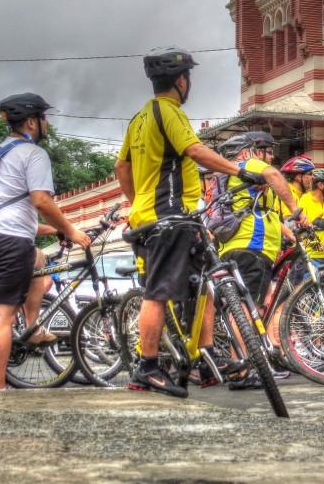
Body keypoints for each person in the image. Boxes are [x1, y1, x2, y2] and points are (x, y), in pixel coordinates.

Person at [116, 47, 255, 398]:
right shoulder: (170, 112)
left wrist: (138, 204)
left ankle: (204, 359)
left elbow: (121, 168)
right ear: (181, 81)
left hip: (163, 217)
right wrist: (240, 171)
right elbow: (194, 150)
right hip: (169, 216)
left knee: (205, 283)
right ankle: (147, 367)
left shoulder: (139, 119)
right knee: (158, 293)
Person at [0, 93, 92, 390]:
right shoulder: (32, 153)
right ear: (31, 121)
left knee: (38, 259)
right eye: (43, 117)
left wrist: (53, 231)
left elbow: (11, 210)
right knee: (2, 316)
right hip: (9, 240)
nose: (46, 123)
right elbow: (41, 201)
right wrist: (71, 230)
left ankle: (34, 326)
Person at [214, 131, 303, 390]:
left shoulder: (239, 175)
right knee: (245, 307)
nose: (270, 156)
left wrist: (290, 235)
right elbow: (275, 175)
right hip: (251, 246)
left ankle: (251, 361)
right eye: (265, 150)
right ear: (248, 150)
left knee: (257, 305)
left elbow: (269, 215)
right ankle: (240, 368)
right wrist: (295, 210)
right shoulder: (247, 164)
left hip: (244, 246)